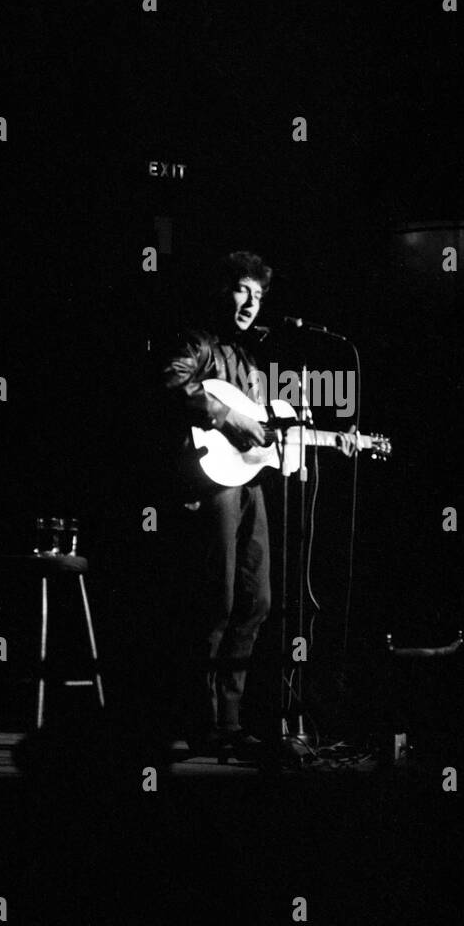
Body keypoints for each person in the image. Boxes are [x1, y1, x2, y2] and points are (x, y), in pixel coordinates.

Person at [159, 251, 277, 759]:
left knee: (258, 599)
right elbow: (170, 382)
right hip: (213, 486)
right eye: (241, 290)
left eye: (258, 294)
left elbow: (261, 430)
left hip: (248, 485)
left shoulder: (250, 360)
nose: (250, 303)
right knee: (219, 601)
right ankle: (199, 721)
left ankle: (229, 722)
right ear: (222, 291)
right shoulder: (197, 342)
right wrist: (228, 418)